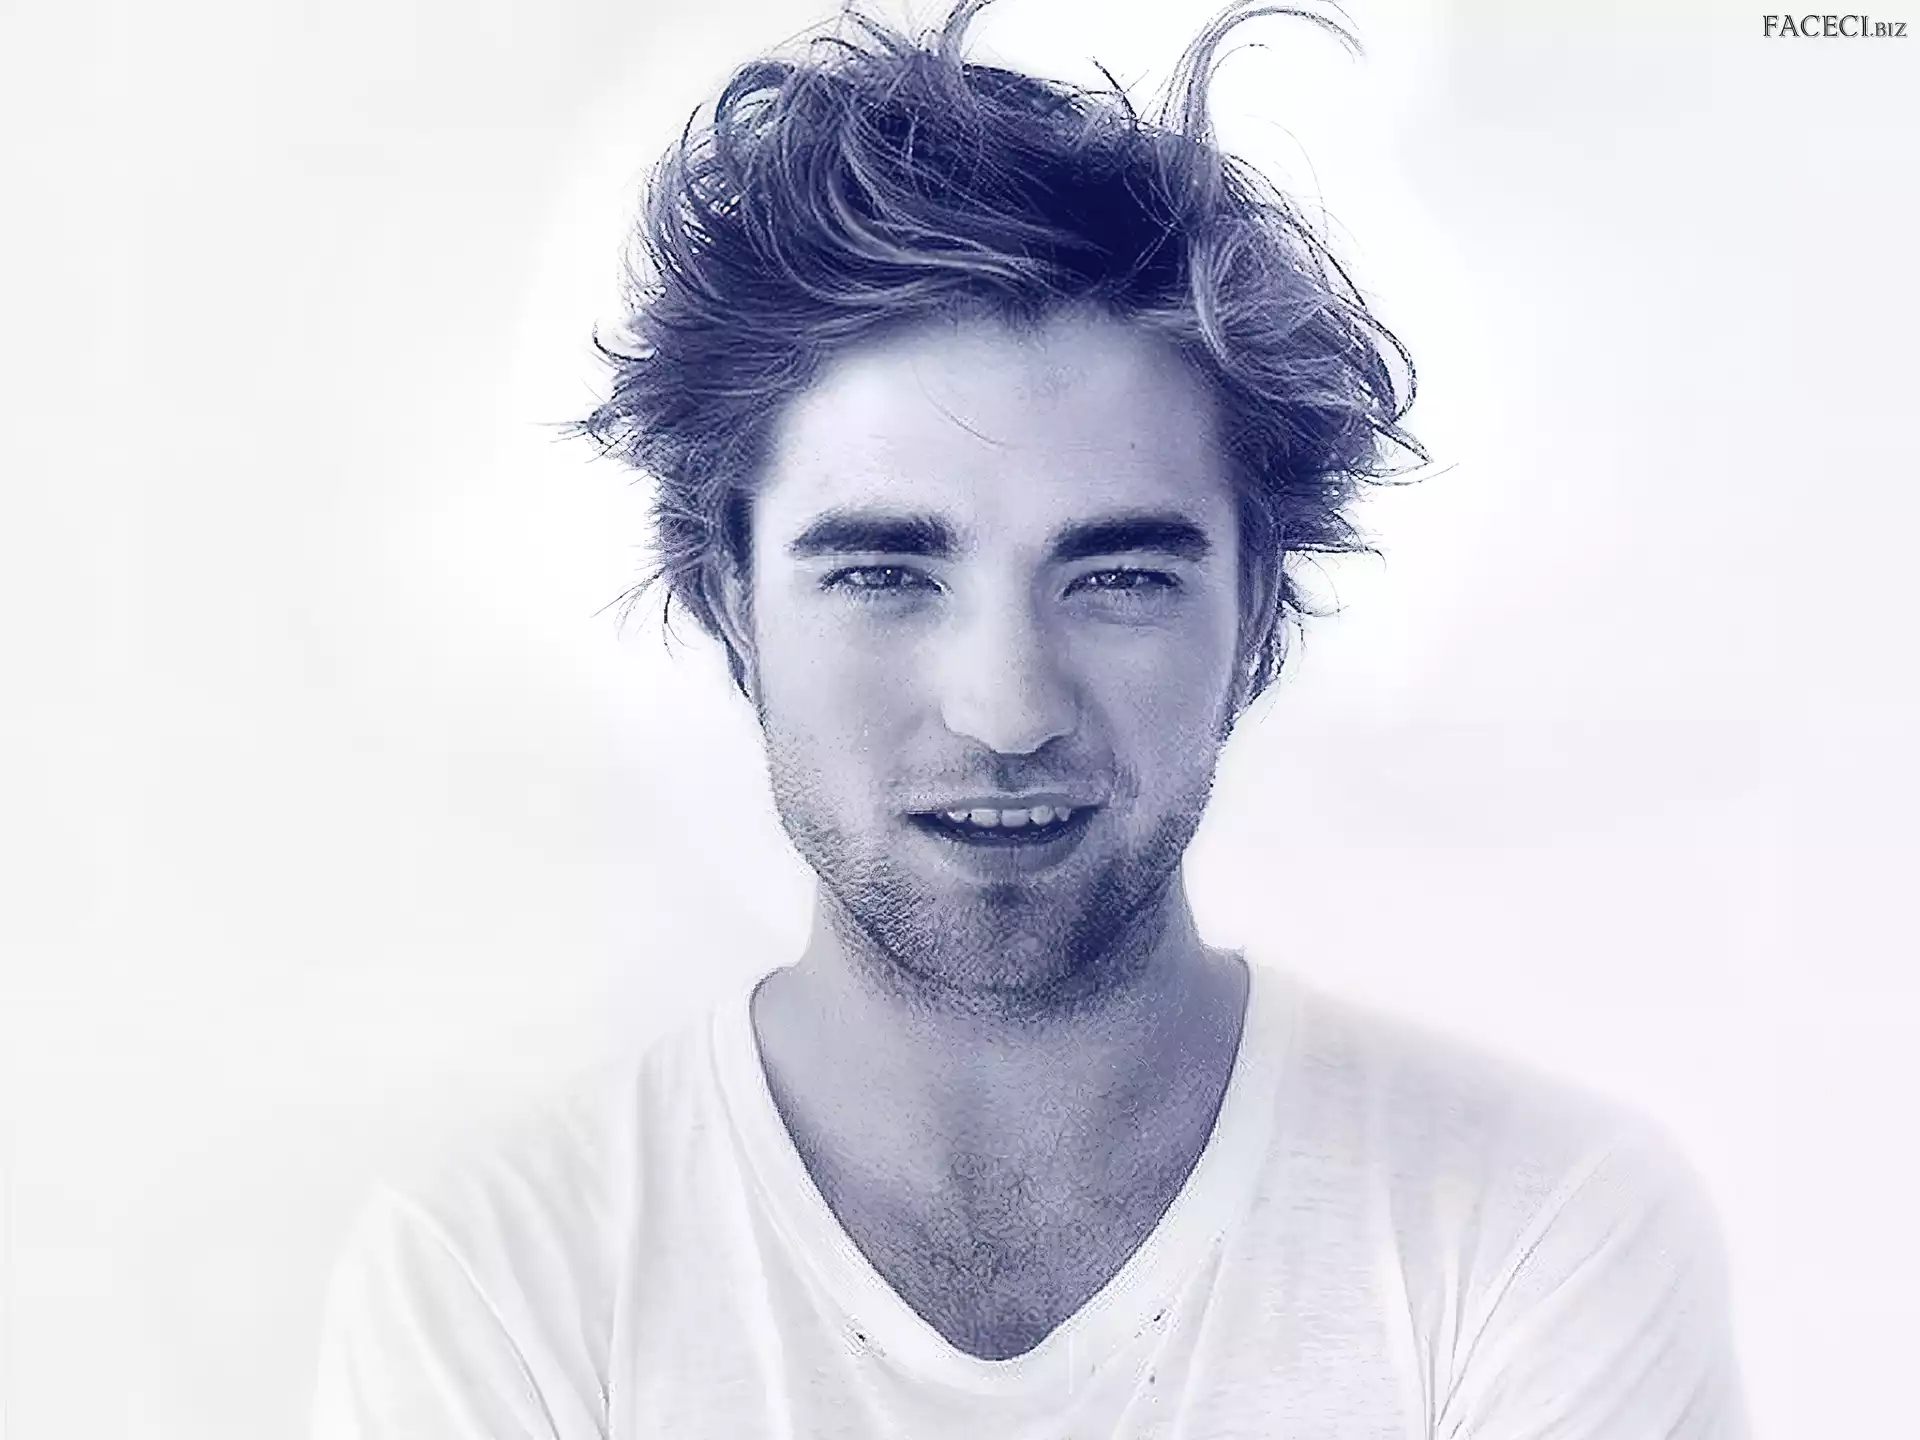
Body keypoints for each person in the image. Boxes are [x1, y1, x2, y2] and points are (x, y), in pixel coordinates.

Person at [311, 2, 1748, 1435]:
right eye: (885, 573)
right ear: (730, 603)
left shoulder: (1534, 1232)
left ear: (1255, 611)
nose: (1006, 710)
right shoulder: (498, 1276)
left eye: (1116, 576)